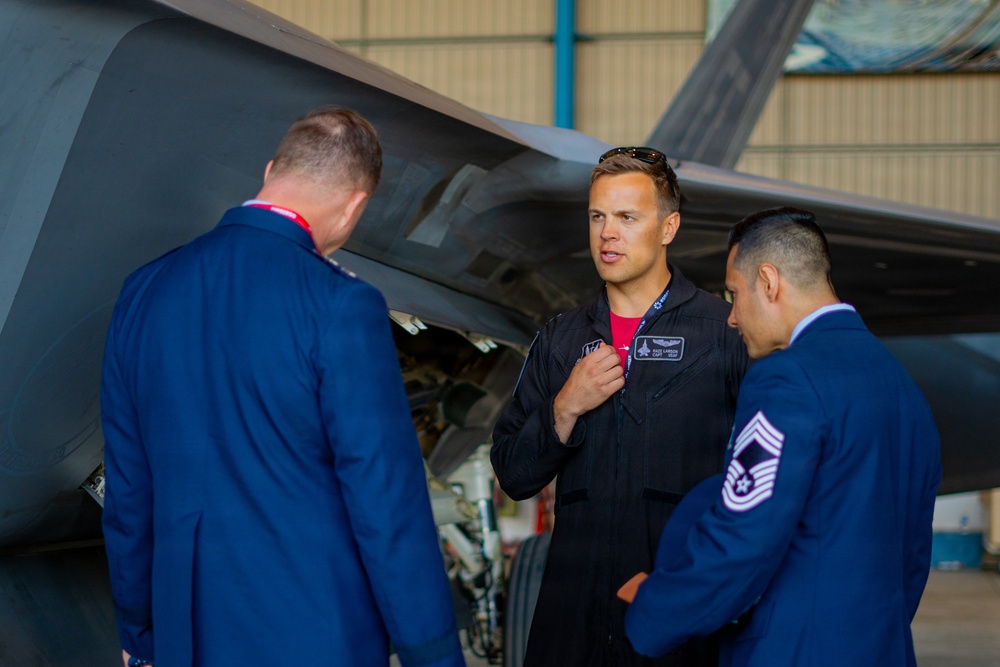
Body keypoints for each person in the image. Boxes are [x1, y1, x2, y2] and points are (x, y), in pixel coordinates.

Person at [101, 107, 465, 667]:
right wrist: (433, 653)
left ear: (271, 169)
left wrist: (139, 627)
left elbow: (128, 489)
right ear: (354, 206)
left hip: (185, 636)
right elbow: (385, 499)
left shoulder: (144, 289)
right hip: (313, 632)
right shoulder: (342, 304)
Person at [624, 207, 942, 666]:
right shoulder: (902, 387)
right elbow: (912, 556)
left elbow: (745, 534)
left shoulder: (787, 379)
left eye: (734, 294)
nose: (732, 317)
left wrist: (655, 609)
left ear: (769, 282)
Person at [491, 146, 748, 666]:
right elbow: (513, 474)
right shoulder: (561, 340)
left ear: (668, 227)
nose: (608, 233)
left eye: (627, 217)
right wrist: (564, 408)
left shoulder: (724, 334)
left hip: (678, 618)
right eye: (598, 217)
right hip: (573, 622)